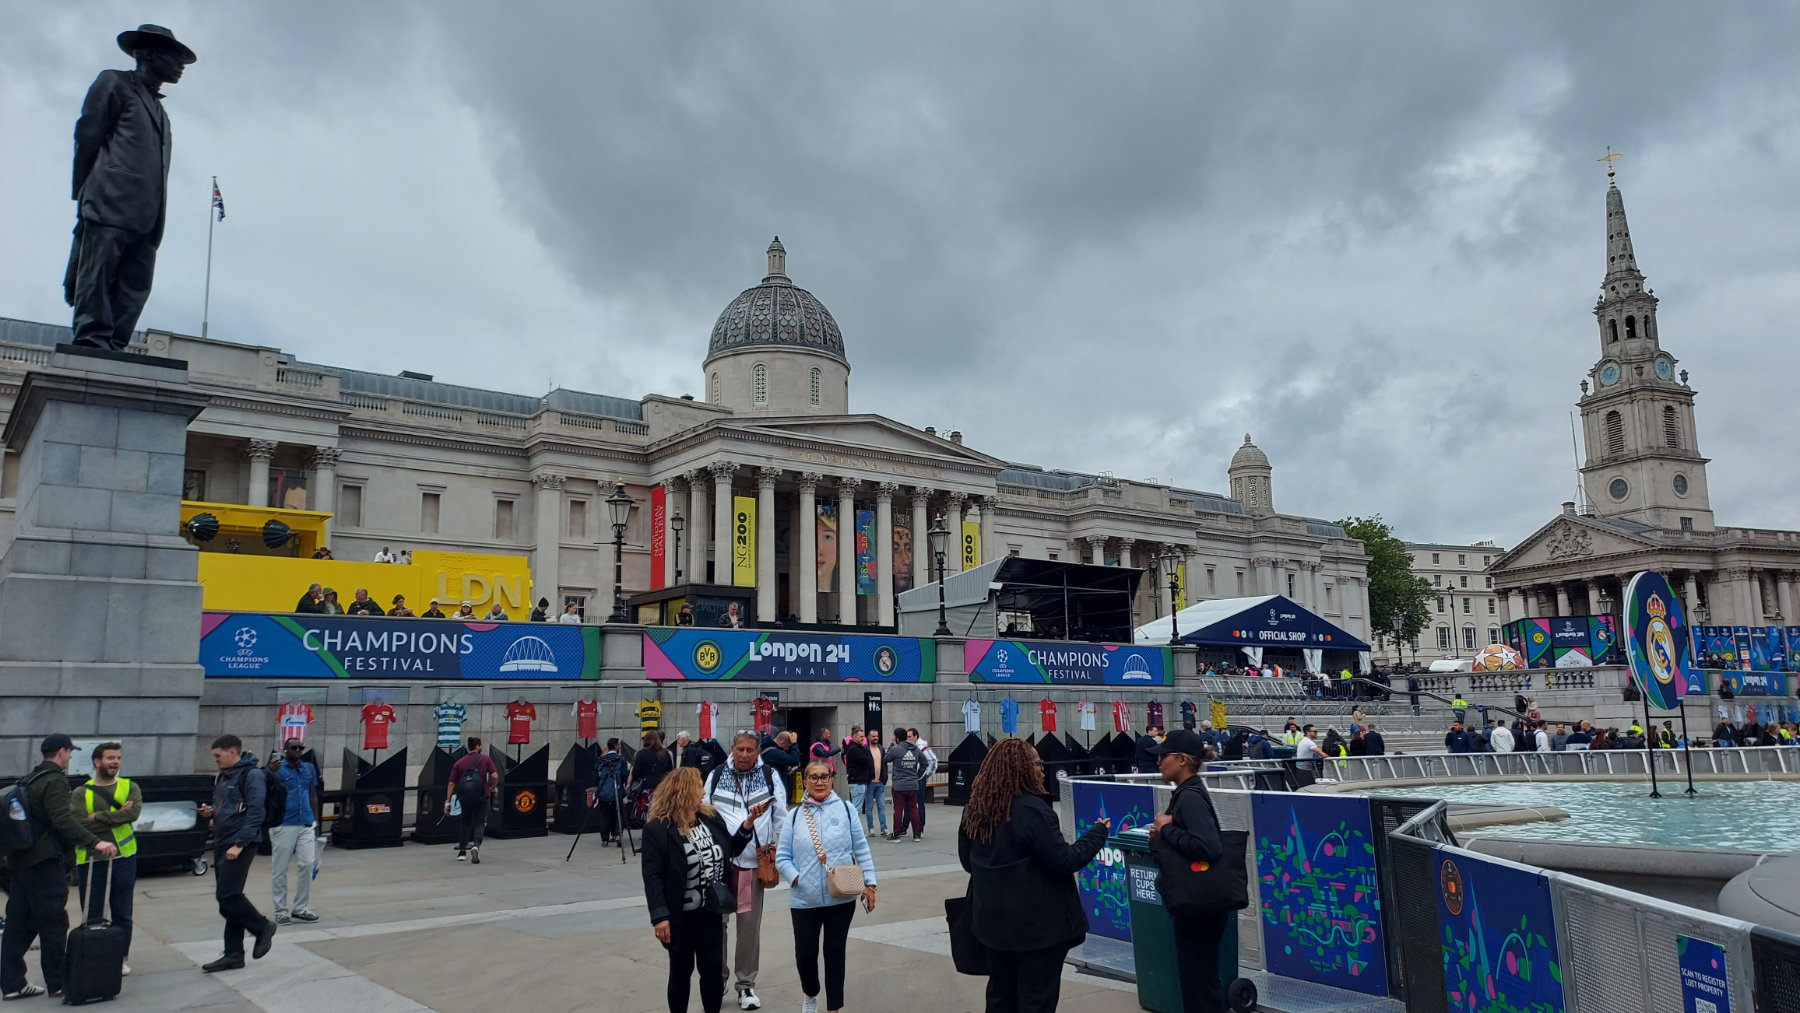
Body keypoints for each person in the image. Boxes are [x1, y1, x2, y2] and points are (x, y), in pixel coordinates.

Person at [65, 25, 196, 351]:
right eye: (173, 56)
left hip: (147, 214)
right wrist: (83, 192)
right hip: (109, 200)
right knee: (97, 273)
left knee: (135, 284)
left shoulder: (161, 112)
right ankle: (92, 337)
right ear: (148, 54)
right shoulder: (115, 82)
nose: (180, 65)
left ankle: (115, 343)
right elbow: (87, 136)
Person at [959, 738, 1110, 1013]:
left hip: (992, 926)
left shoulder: (975, 809)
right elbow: (1064, 859)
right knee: (1036, 1000)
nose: (1043, 769)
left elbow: (967, 862)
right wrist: (1097, 833)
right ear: (1022, 769)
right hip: (1036, 930)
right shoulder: (1031, 810)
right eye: (1038, 764)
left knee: (1000, 997)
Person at [641, 767, 766, 1013]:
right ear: (684, 792)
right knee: (680, 972)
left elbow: (730, 849)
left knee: (711, 972)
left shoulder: (710, 818)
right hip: (680, 916)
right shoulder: (657, 829)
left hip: (710, 912)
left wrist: (748, 824)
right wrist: (659, 917)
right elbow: (652, 876)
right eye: (699, 787)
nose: (703, 792)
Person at [2, 734, 118, 1000]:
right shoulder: (54, 780)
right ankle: (57, 983)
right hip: (44, 864)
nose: (69, 757)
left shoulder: (29, 779)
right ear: (61, 752)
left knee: (19, 923)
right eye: (69, 752)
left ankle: (12, 984)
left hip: (22, 863)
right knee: (53, 923)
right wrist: (94, 842)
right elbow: (62, 819)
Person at [777, 760, 878, 1013]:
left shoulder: (845, 809)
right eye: (813, 777)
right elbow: (782, 857)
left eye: (824, 777)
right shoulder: (795, 815)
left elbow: (861, 848)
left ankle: (834, 1007)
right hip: (804, 900)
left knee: (835, 953)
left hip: (841, 897)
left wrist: (871, 884)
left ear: (832, 779)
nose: (819, 782)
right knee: (805, 955)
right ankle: (811, 994)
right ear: (806, 781)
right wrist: (797, 879)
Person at [1148, 729, 1233, 1013]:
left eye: (1164, 757)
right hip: (1199, 904)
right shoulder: (1187, 792)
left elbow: (1208, 846)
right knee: (1198, 980)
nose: (1159, 763)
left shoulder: (1190, 796)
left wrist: (1167, 829)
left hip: (1200, 905)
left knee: (1199, 985)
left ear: (1182, 760)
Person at [704, 733, 788, 1010]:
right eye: (739, 749)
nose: (744, 754)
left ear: (758, 751)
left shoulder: (769, 775)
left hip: (752, 864)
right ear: (732, 749)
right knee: (718, 925)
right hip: (719, 865)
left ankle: (746, 985)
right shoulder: (716, 775)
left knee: (749, 927)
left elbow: (781, 820)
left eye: (749, 750)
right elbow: (703, 814)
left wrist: (784, 857)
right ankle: (718, 979)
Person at [196, 734, 278, 972]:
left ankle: (262, 927)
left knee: (228, 896)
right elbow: (229, 807)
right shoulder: (223, 776)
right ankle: (233, 953)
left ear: (233, 752)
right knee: (228, 899)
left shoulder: (252, 775)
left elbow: (255, 813)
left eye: (217, 756)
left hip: (240, 843)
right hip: (223, 841)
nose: (215, 760)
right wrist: (210, 812)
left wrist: (240, 844)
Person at [70, 741, 141, 977]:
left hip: (124, 857)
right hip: (91, 858)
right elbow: (78, 822)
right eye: (111, 758)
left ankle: (119, 958)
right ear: (97, 761)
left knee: (122, 912)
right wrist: (116, 815)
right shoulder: (80, 792)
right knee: (92, 912)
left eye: (119, 758)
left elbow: (132, 814)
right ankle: (93, 956)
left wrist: (97, 816)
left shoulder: (130, 787)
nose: (116, 762)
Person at [267, 739, 320, 924]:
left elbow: (312, 794)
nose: (298, 751)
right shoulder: (277, 769)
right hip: (284, 823)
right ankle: (281, 909)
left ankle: (301, 907)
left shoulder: (308, 768)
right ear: (285, 750)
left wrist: (316, 822)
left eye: (300, 748)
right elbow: (267, 792)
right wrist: (269, 773)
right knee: (279, 868)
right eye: (293, 748)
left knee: (307, 864)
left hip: (305, 822)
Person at [447, 737, 499, 863]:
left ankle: (462, 852)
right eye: (480, 746)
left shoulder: (459, 763)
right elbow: (494, 775)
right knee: (479, 822)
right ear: (477, 746)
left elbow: (451, 784)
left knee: (465, 822)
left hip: (465, 797)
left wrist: (448, 802)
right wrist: (494, 786)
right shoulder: (485, 759)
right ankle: (476, 845)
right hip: (482, 795)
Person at [886, 730, 925, 841]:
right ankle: (917, 834)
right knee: (913, 808)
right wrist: (918, 775)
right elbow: (925, 762)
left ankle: (897, 835)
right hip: (913, 784)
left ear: (897, 738)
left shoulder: (896, 749)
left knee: (898, 809)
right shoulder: (915, 749)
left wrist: (890, 748)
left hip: (899, 785)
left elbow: (886, 759)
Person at [594, 738, 630, 847]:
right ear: (616, 746)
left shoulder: (601, 759)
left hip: (603, 792)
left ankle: (605, 839)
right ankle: (618, 834)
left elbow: (595, 775)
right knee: (618, 814)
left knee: (604, 815)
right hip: (617, 791)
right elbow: (624, 775)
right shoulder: (621, 760)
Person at [842, 727, 875, 831]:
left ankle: (853, 829)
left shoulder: (858, 748)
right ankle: (853, 830)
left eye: (863, 736)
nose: (863, 738)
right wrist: (867, 755)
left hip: (859, 781)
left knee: (856, 807)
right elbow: (867, 760)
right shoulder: (854, 749)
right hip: (857, 781)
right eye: (861, 737)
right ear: (854, 737)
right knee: (856, 808)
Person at [907, 729, 938, 836]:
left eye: (910, 736)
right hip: (911, 778)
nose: (908, 739)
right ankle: (905, 827)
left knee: (919, 804)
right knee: (908, 804)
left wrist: (927, 773)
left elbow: (933, 761)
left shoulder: (923, 748)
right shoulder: (910, 747)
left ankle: (920, 828)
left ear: (915, 736)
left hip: (919, 779)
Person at [635, 731, 676, 798]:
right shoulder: (666, 753)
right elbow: (670, 771)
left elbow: (636, 772)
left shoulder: (640, 754)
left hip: (645, 787)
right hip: (661, 787)